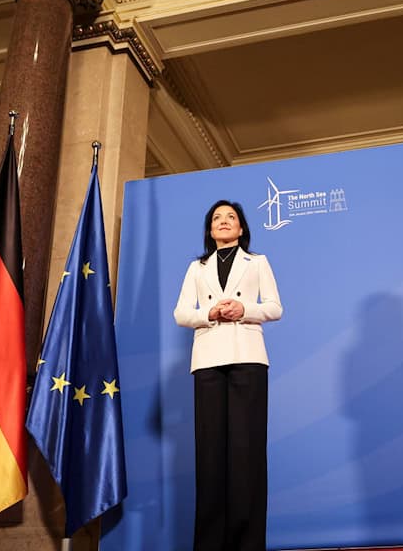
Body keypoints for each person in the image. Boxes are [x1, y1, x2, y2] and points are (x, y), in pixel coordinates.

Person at [174, 200, 283, 551]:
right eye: (217, 218)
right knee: (210, 456)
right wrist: (209, 312)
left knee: (247, 453)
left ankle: (248, 544)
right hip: (207, 360)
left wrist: (243, 309)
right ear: (210, 230)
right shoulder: (196, 267)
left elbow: (275, 307)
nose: (223, 222)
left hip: (248, 358)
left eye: (230, 218)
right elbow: (180, 313)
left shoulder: (258, 262)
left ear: (241, 229)